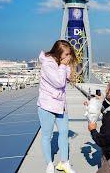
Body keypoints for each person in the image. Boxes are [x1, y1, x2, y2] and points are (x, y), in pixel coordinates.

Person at [37, 40, 77, 173]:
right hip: (46, 105)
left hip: (61, 105)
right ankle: (49, 163)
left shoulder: (61, 63)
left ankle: (64, 162)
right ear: (59, 53)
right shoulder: (48, 64)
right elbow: (59, 83)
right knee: (47, 136)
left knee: (64, 133)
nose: (68, 57)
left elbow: (68, 79)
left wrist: (67, 66)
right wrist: (64, 66)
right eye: (66, 54)